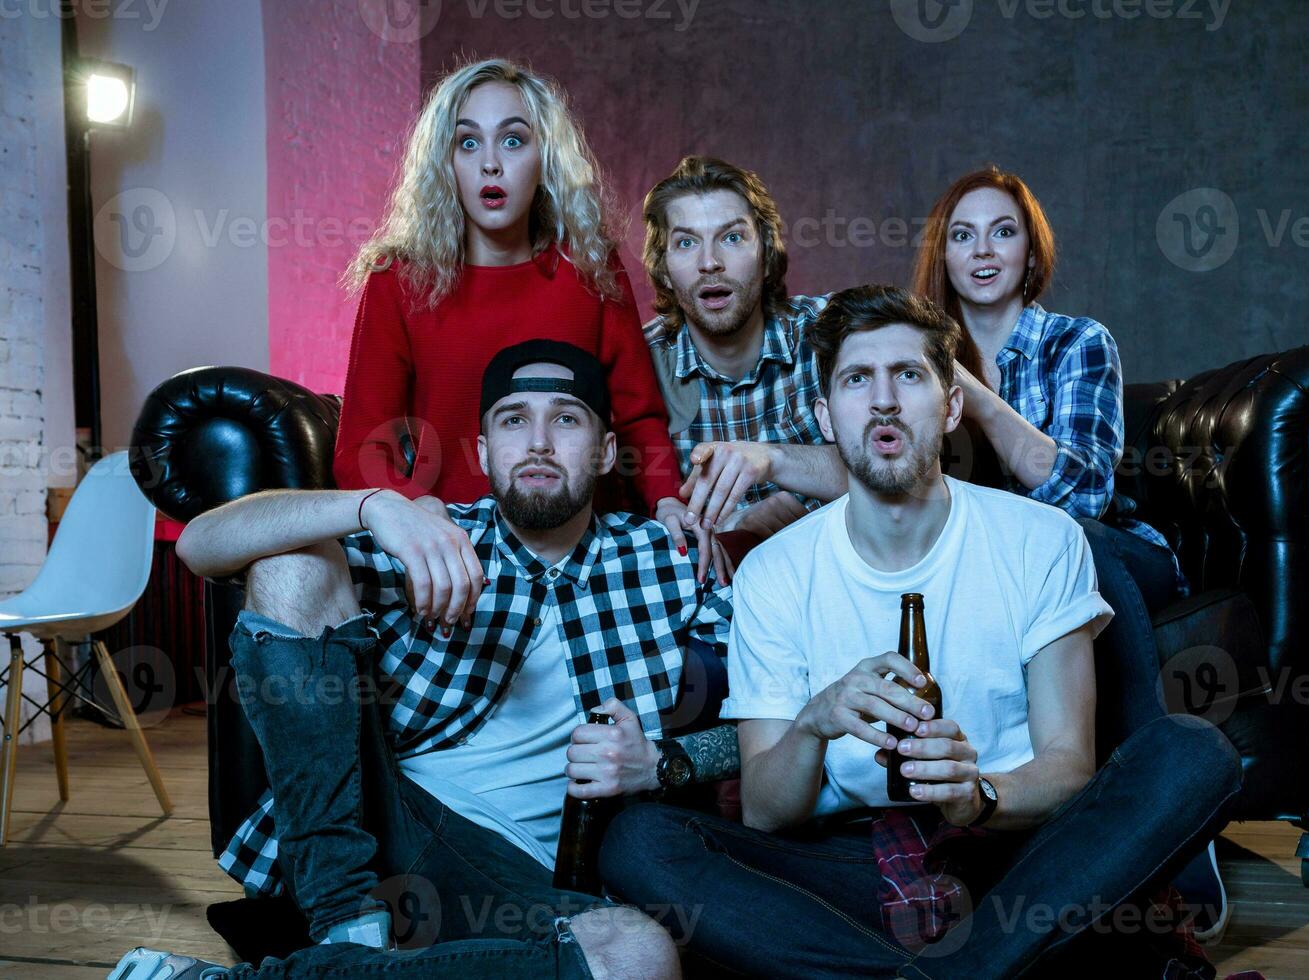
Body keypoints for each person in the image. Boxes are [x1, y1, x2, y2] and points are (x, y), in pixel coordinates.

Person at [599, 285, 1242, 978]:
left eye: (908, 375)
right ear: (825, 414)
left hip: (1013, 853)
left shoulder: (1042, 540)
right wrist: (815, 721)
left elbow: (1066, 766)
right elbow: (764, 811)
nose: (883, 399)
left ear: (950, 405)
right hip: (850, 863)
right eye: (856, 379)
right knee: (640, 841)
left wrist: (980, 794)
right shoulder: (775, 575)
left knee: (1192, 752)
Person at [112, 341, 731, 979]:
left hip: (513, 876)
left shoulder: (670, 559)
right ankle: (343, 919)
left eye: (567, 418)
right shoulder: (433, 538)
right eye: (514, 419)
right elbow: (201, 544)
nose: (539, 442)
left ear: (605, 451)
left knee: (641, 957)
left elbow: (769, 728)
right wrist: (372, 504)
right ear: (486, 451)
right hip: (381, 820)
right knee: (295, 560)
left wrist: (665, 764)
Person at [911, 165, 1228, 937]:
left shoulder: (1080, 342)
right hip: (999, 577)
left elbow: (1081, 494)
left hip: (1114, 551)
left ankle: (1179, 844)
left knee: (1069, 541)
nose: (983, 250)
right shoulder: (914, 357)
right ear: (942, 256)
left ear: (1030, 251)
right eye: (963, 234)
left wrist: (975, 396)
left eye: (1003, 231)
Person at [332, 58, 699, 556]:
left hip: (581, 543)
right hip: (453, 543)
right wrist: (415, 508)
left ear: (544, 157)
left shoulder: (590, 266)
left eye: (512, 140)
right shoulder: (398, 281)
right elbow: (362, 448)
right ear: (446, 161)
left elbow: (636, 416)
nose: (490, 163)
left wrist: (666, 502)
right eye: (468, 142)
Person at [640, 156, 841, 586]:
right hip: (707, 613)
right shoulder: (640, 366)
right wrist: (734, 528)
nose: (710, 262)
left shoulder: (831, 334)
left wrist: (777, 463)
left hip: (834, 587)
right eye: (686, 242)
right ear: (664, 270)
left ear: (765, 255)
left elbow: (899, 471)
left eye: (731, 237)